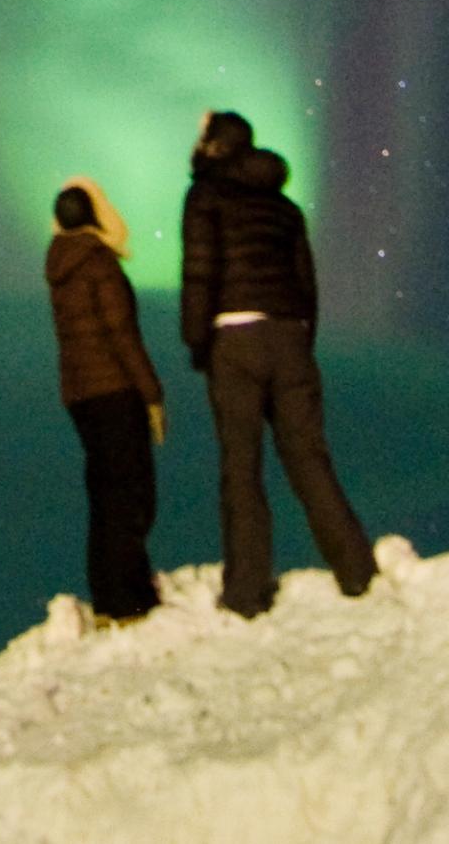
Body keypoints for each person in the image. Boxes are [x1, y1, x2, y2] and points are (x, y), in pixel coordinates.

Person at [179, 109, 377, 614]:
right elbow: (307, 287)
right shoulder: (285, 209)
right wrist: (299, 340)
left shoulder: (206, 197)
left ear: (216, 146)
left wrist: (197, 340)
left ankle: (247, 592)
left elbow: (200, 272)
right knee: (310, 458)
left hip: (234, 339)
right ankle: (357, 573)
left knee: (241, 469)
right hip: (289, 338)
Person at [44, 175, 166, 620]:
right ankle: (127, 599)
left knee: (106, 495)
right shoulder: (97, 263)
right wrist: (152, 395)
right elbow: (122, 336)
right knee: (130, 496)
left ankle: (114, 594)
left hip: (81, 395)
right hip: (114, 391)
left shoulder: (62, 264)